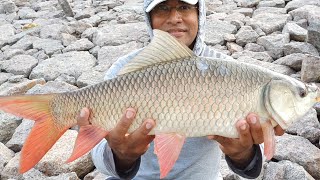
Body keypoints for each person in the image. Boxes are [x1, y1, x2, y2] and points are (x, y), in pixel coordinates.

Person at [77, 0, 285, 179]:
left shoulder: (228, 71)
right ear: (149, 19)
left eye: (184, 7)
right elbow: (100, 161)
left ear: (199, 14)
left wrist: (242, 154)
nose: (175, 17)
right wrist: (122, 156)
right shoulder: (124, 70)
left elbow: (250, 172)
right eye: (163, 8)